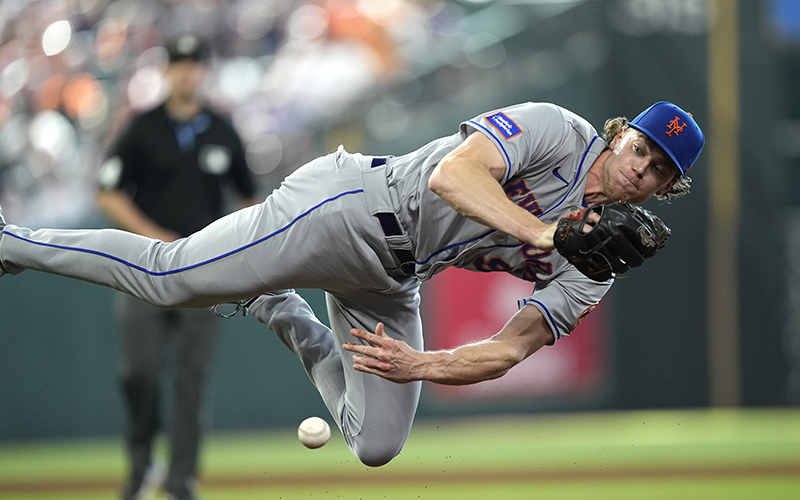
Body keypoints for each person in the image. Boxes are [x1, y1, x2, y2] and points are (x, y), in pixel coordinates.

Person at [0, 100, 704, 468]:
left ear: (669, 189)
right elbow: (451, 176)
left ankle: (285, 314)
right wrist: (546, 232)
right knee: (169, 277)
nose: (643, 167)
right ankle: (13, 240)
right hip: (349, 209)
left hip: (393, 279)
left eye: (662, 168)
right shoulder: (556, 130)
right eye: (642, 147)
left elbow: (511, 349)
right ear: (619, 137)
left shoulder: (600, 263)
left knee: (374, 446)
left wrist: (421, 365)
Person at [95, 34, 259, 500]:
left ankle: (181, 478)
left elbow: (252, 201)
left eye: (194, 63)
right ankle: (142, 464)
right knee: (138, 372)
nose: (186, 71)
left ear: (204, 71)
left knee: (192, 379)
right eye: (179, 63)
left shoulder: (223, 130)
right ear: (166, 71)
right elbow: (106, 191)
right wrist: (153, 236)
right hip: (143, 267)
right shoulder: (142, 127)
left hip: (204, 272)